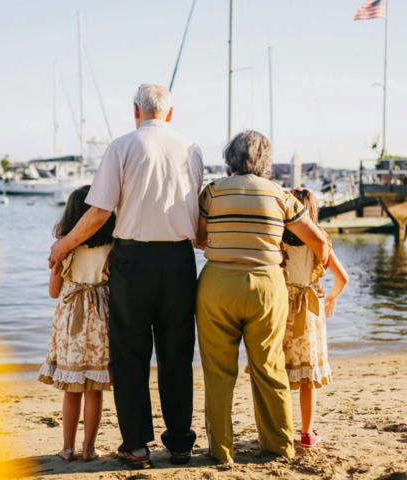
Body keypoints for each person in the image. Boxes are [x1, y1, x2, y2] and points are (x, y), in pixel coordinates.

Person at [48, 84, 204, 468]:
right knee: (176, 354)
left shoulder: (121, 146)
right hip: (180, 261)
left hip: (132, 262)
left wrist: (64, 245)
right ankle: (181, 443)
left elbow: (99, 212)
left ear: (136, 110)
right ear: (170, 113)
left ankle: (136, 446)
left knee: (132, 356)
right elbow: (198, 221)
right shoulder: (192, 149)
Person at [194, 130, 330, 463]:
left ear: (230, 157)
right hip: (268, 288)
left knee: (218, 372)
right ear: (266, 160)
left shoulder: (211, 192)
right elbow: (319, 241)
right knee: (269, 369)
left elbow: (198, 239)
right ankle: (278, 447)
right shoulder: (281, 195)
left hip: (217, 286)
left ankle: (221, 450)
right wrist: (317, 273)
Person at [39, 186, 116, 462]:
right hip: (100, 319)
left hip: (71, 319)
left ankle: (68, 448)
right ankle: (90, 449)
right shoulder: (112, 245)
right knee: (94, 388)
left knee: (72, 389)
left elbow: (53, 291)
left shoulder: (65, 248)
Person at [281, 188, 348, 448]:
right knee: (308, 378)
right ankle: (307, 433)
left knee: (283, 373)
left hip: (284, 307)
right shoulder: (320, 240)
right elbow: (343, 278)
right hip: (310, 311)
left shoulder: (278, 240)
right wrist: (331, 298)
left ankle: (282, 431)